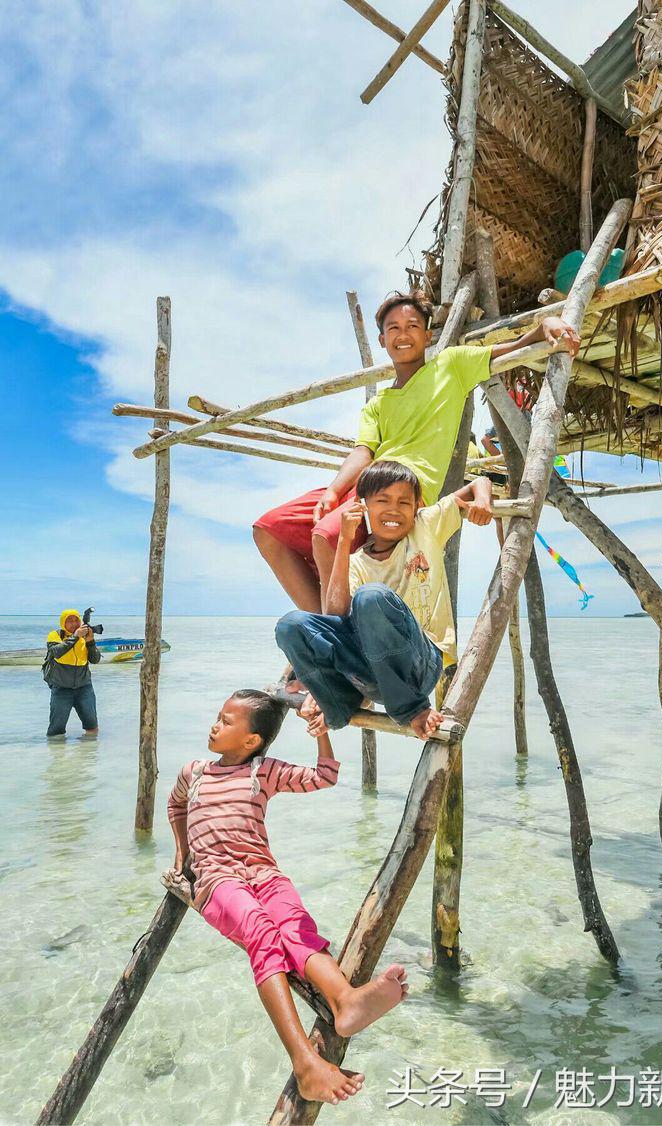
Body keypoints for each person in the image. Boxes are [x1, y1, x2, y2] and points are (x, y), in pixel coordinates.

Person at [253, 289, 580, 611]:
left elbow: (512, 349)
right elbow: (362, 453)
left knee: (325, 535)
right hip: (364, 485)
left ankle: (333, 638)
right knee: (268, 530)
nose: (403, 334)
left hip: (405, 489)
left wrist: (544, 324)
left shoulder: (450, 366)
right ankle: (321, 627)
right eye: (393, 328)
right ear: (382, 340)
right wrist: (334, 491)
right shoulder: (378, 403)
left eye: (411, 326)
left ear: (426, 335)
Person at [166, 689, 407, 1107]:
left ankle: (346, 1001)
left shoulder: (263, 771)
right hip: (218, 881)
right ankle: (304, 1062)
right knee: (262, 934)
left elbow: (325, 775)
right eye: (217, 717)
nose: (214, 725)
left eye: (225, 721)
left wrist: (320, 732)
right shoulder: (195, 772)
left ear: (251, 742)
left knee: (296, 926)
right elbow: (175, 806)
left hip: (263, 872)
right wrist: (183, 855)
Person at [275, 460, 494, 740]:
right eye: (382, 500)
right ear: (363, 506)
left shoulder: (425, 527)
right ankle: (337, 703)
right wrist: (344, 539)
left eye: (404, 502)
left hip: (420, 665)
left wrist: (484, 501)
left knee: (371, 597)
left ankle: (413, 708)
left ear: (417, 507)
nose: (393, 509)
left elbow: (479, 483)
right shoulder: (356, 561)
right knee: (291, 625)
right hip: (371, 675)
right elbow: (335, 614)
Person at [44, 609, 100, 738]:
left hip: (84, 688)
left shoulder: (84, 638)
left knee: (92, 727)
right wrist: (75, 636)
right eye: (69, 621)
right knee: (55, 731)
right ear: (63, 622)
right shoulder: (55, 635)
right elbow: (56, 652)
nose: (74, 623)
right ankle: (57, 756)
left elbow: (95, 660)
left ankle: (89, 756)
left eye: (76, 620)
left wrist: (90, 641)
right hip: (61, 689)